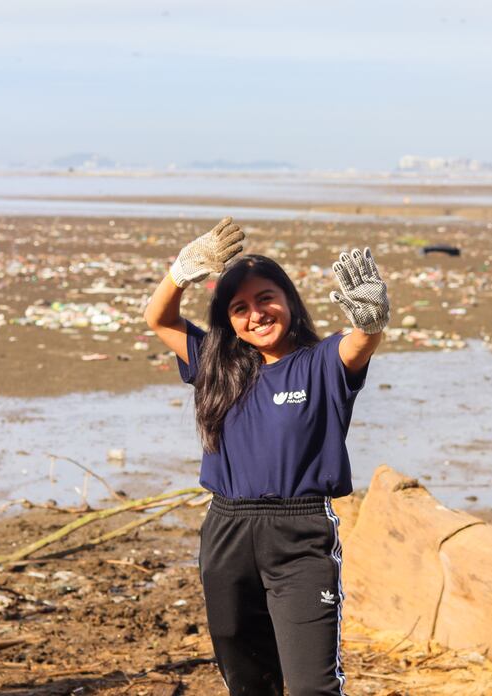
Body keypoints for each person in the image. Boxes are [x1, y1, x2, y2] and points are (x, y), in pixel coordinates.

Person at [144, 217, 389, 696]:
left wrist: (370, 320)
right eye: (240, 308)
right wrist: (181, 272)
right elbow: (160, 318)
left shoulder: (321, 363)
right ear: (228, 321)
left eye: (265, 299)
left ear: (290, 302)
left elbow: (360, 343)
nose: (255, 314)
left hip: (300, 536)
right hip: (227, 533)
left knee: (312, 687)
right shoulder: (215, 364)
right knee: (248, 682)